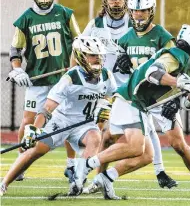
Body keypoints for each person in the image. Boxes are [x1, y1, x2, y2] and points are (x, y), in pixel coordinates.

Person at [76, 24, 190, 200]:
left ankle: (106, 177)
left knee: (148, 155)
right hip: (132, 99)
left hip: (147, 103)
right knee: (131, 145)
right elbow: (152, 73)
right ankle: (88, 165)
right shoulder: (176, 55)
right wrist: (179, 82)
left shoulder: (187, 66)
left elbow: (186, 103)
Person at [83, 0, 177, 195]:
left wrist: (175, 97)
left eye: (143, 10)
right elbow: (120, 66)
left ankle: (99, 177)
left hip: (147, 96)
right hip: (129, 95)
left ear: (151, 11)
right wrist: (121, 63)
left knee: (144, 147)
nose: (139, 14)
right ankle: (93, 173)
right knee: (115, 139)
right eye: (135, 11)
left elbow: (173, 67)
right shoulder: (123, 36)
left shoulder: (162, 37)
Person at [0, 36, 117, 196]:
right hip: (61, 122)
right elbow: (47, 108)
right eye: (92, 55)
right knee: (36, 151)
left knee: (95, 138)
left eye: (99, 55)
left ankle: (78, 180)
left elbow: (112, 95)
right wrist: (34, 130)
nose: (97, 59)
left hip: (84, 125)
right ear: (81, 56)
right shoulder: (70, 78)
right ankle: (4, 183)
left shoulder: (106, 75)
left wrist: (108, 105)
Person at [6, 0, 81, 181]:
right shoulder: (26, 18)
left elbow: (79, 43)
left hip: (63, 79)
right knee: (28, 120)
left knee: (68, 120)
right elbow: (15, 50)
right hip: (37, 79)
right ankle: (21, 162)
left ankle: (71, 165)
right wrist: (17, 68)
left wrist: (74, 68)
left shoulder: (65, 13)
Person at [63, 0, 132, 182]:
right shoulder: (96, 24)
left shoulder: (133, 22)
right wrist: (73, 74)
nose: (117, 2)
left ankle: (94, 173)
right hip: (100, 85)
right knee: (90, 127)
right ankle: (78, 170)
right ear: (105, 0)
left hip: (125, 87)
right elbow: (78, 47)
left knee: (121, 135)